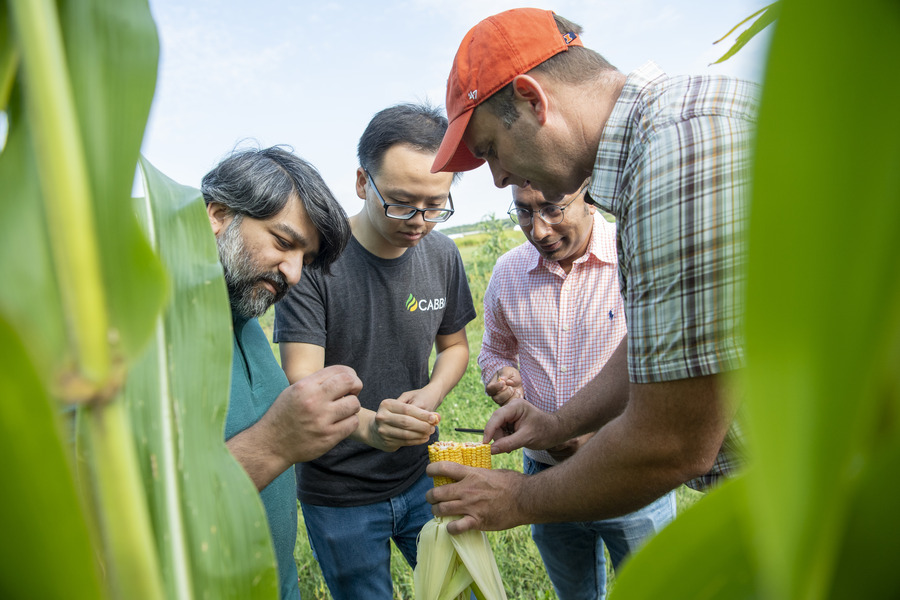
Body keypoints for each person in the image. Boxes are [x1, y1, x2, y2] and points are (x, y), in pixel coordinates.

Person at [427, 8, 758, 534]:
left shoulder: (677, 157)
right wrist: (560, 422)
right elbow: (669, 346)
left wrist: (521, 499)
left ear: (532, 99)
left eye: (490, 148)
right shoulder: (667, 139)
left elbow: (673, 444)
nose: (498, 178)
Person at [273, 103, 477, 600]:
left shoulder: (443, 254)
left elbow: (454, 347)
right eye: (402, 203)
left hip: (420, 476)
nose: (419, 222)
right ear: (364, 182)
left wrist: (432, 390)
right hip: (339, 492)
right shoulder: (317, 263)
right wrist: (372, 427)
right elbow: (305, 382)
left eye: (436, 205)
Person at [479, 182, 676, 599]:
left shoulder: (636, 253)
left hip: (629, 469)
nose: (539, 230)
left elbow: (661, 358)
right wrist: (502, 377)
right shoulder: (507, 272)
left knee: (658, 587)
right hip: (544, 474)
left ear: (588, 196)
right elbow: (494, 350)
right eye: (523, 212)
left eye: (552, 209)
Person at [201, 146, 363, 600]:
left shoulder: (246, 320)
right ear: (218, 214)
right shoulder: (138, 336)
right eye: (283, 242)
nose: (293, 274)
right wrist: (273, 443)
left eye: (305, 260)